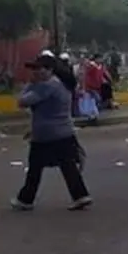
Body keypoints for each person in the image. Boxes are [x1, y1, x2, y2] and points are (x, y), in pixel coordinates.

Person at [11, 54, 92, 211]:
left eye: (38, 69)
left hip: (47, 134)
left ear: (49, 70)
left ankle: (26, 199)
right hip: (63, 131)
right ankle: (80, 195)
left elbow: (23, 101)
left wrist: (29, 85)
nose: (35, 72)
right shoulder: (61, 83)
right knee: (68, 166)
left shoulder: (48, 85)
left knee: (35, 168)